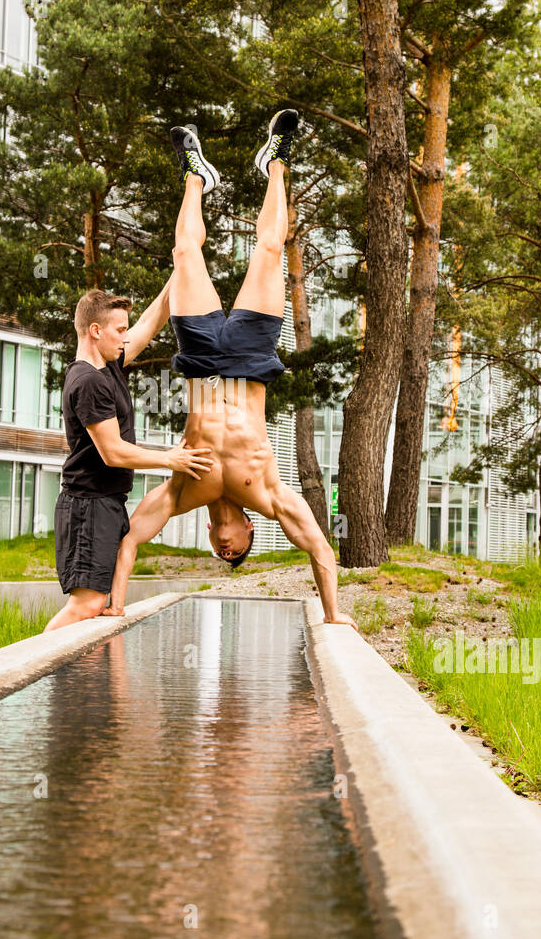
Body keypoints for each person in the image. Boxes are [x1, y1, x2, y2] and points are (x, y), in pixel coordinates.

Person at [105, 111, 357, 628]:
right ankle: (277, 162)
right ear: (248, 534)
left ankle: (196, 174)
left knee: (182, 253)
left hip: (200, 362)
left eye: (221, 555)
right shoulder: (265, 492)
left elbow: (130, 537)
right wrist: (335, 615)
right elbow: (316, 545)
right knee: (269, 250)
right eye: (235, 553)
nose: (226, 550)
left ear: (208, 538)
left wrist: (115, 604)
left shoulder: (182, 492)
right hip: (248, 358)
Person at [45, 284, 212, 631]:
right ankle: (33, 673)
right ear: (95, 331)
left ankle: (76, 685)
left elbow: (150, 323)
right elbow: (113, 452)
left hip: (103, 505)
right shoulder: (89, 381)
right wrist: (171, 459)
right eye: (120, 330)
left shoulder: (107, 365)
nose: (126, 337)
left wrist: (179, 271)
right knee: (86, 605)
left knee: (94, 605)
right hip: (87, 505)